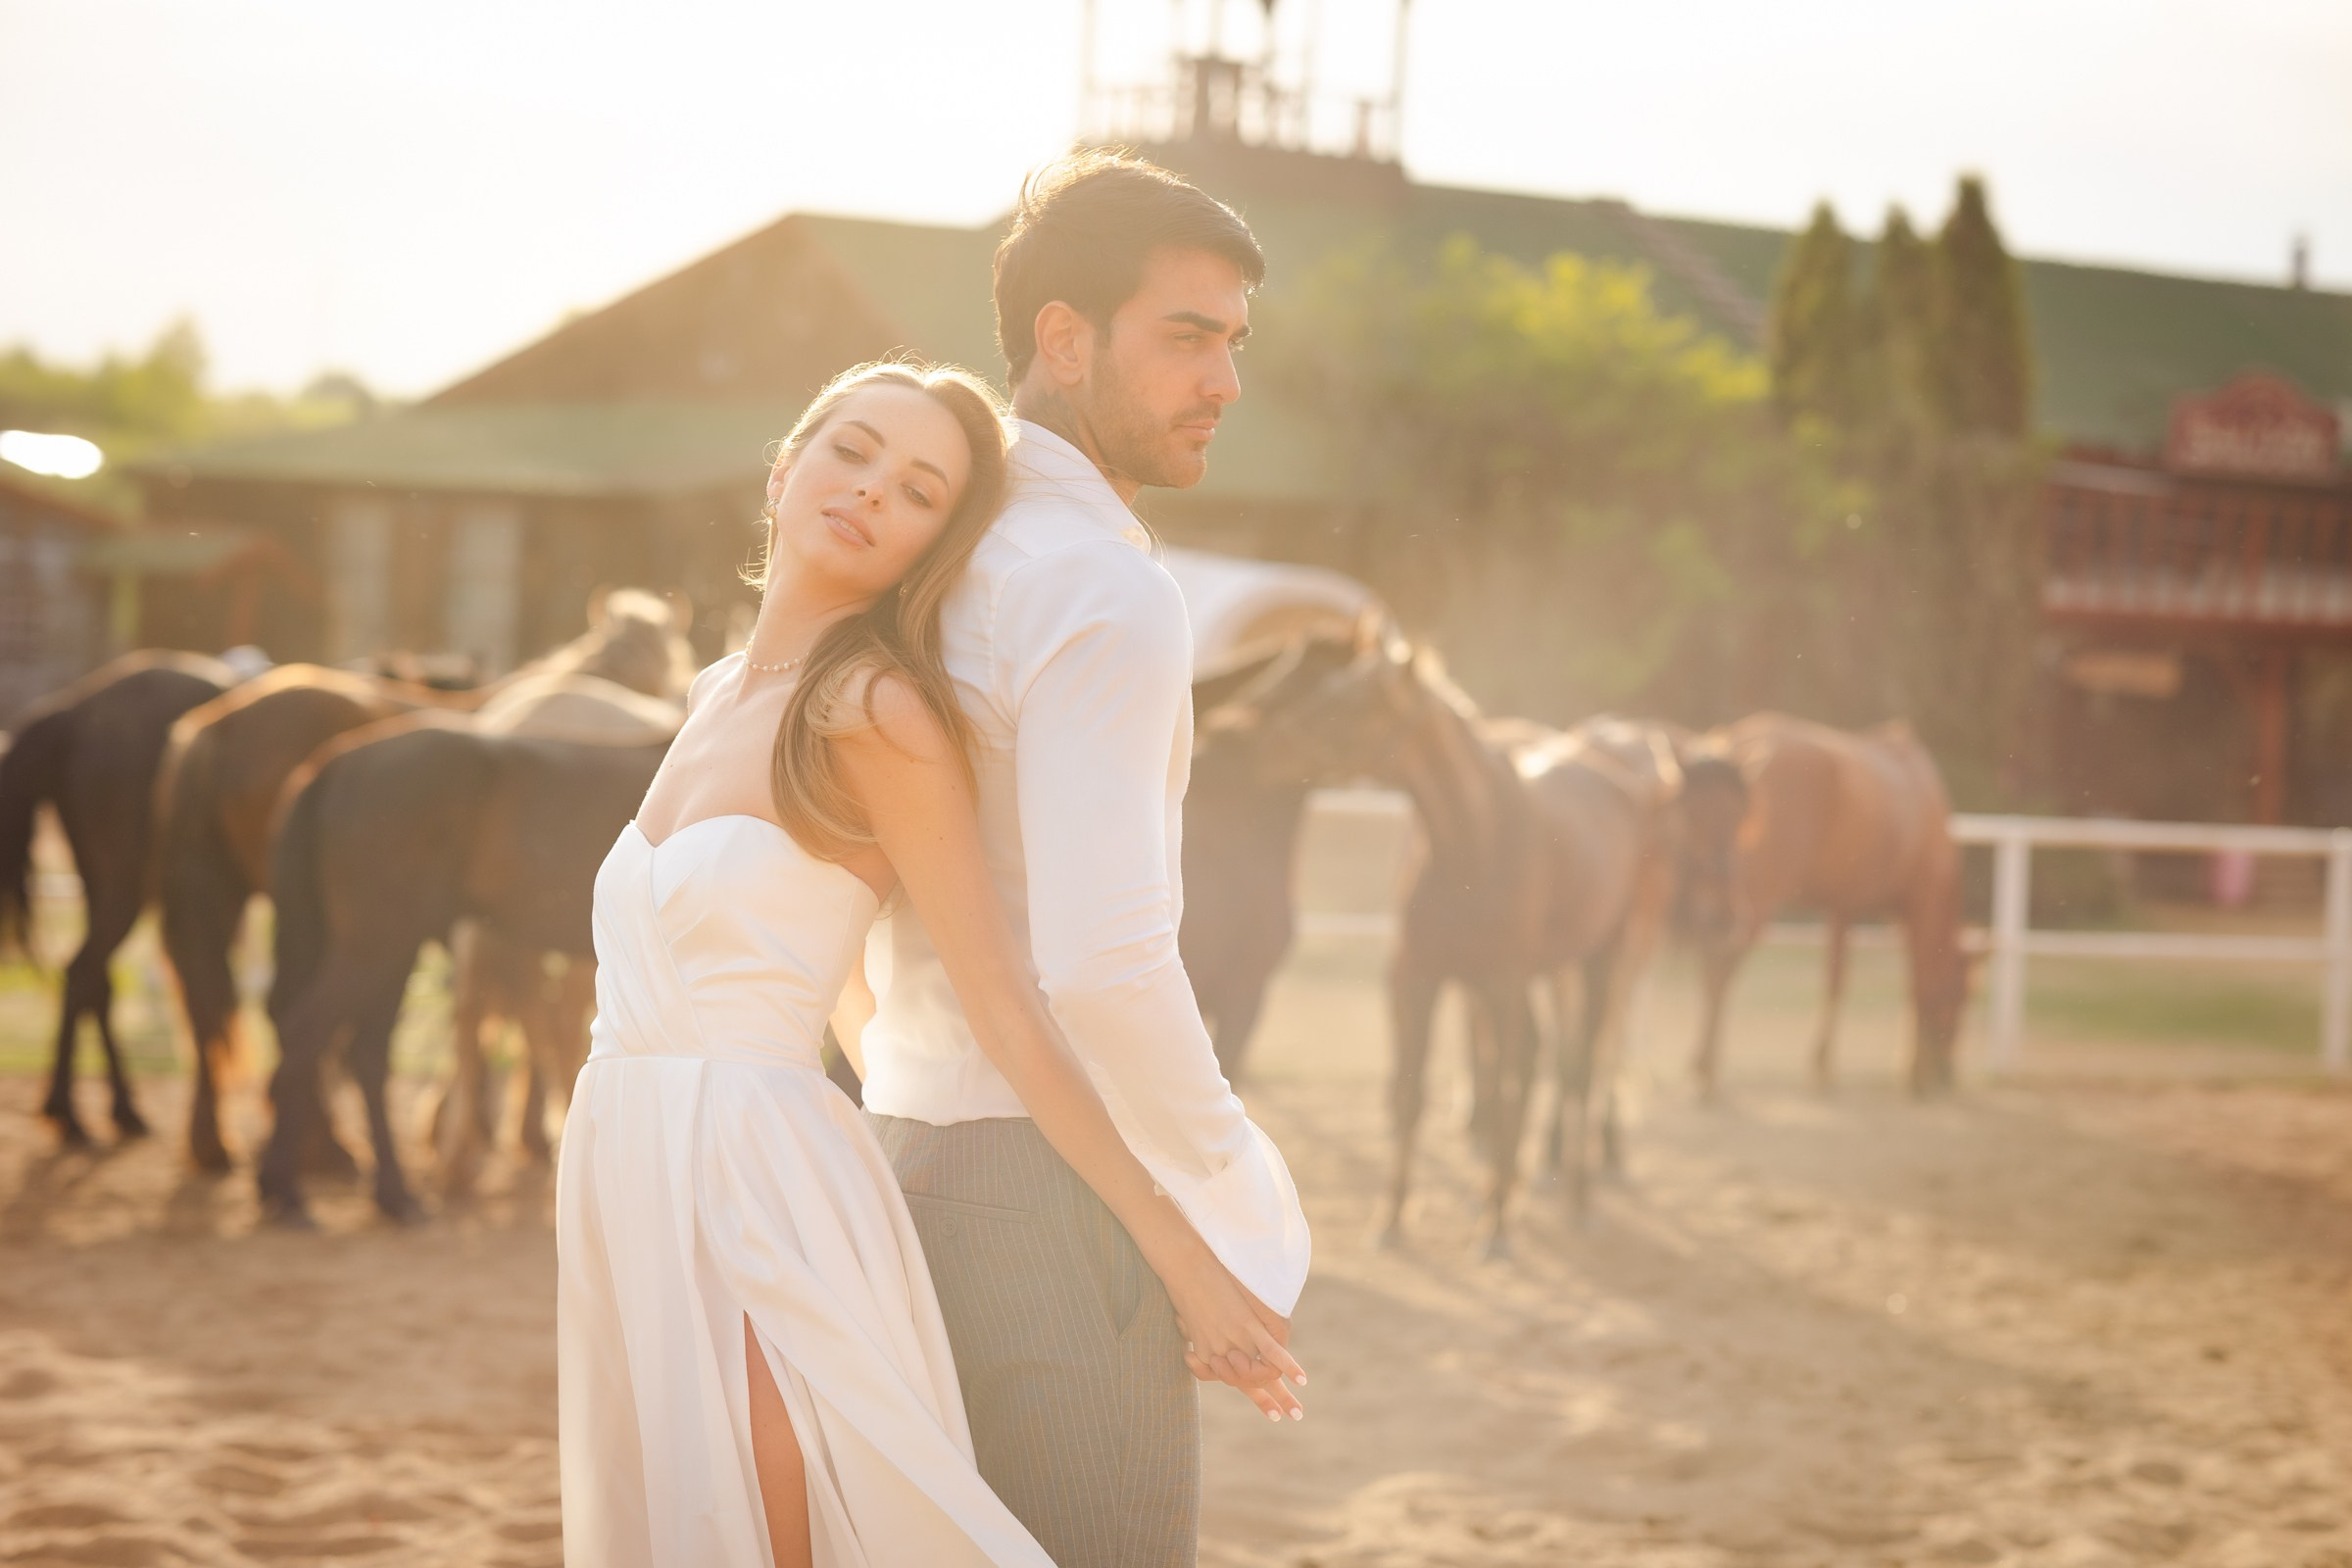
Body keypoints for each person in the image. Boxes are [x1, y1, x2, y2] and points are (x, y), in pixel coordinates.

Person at [555, 358, 1305, 1568]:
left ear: (928, 549)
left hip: (755, 1173)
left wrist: (1183, 1253)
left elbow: (1003, 999)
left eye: (916, 491)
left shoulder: (874, 711)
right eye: (851, 452)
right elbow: (848, 991)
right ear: (785, 463)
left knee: (777, 1485)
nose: (869, 494)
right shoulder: (708, 695)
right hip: (631, 1159)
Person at [857, 152, 1311, 1568]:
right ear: (1064, 339)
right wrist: (1226, 1173)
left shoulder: (930, 560)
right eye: (1187, 337)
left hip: (900, 1158)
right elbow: (1108, 966)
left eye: (1235, 343)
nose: (1225, 382)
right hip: (1053, 1202)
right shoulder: (1098, 585)